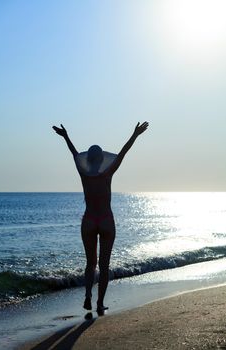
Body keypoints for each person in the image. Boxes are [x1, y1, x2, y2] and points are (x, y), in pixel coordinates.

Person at [52, 121, 149, 313]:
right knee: (104, 266)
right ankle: (99, 303)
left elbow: (74, 153)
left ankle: (88, 295)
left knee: (90, 264)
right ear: (101, 159)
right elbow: (123, 152)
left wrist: (65, 137)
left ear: (88, 160)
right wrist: (135, 134)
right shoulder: (108, 172)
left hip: (89, 220)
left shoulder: (83, 173)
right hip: (105, 219)